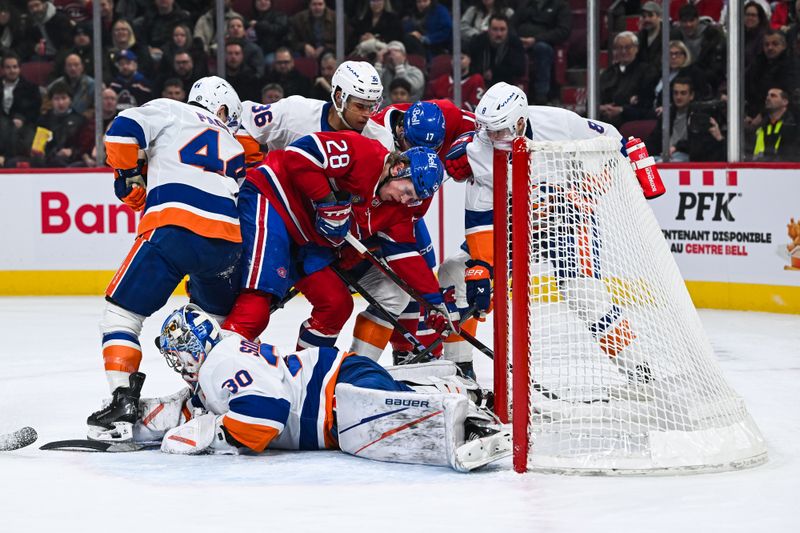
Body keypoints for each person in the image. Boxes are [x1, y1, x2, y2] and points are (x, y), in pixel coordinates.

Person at [442, 82, 658, 384]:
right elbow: (480, 215)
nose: (492, 138)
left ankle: (639, 370)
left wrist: (625, 161)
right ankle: (459, 369)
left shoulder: (558, 122)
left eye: (499, 131)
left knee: (584, 294)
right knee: (453, 273)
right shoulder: (478, 151)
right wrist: (482, 265)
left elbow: (611, 139)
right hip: (513, 226)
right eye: (486, 130)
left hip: (566, 220)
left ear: (520, 121)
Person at [135, 304, 511, 472]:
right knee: (393, 399)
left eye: (178, 355)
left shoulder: (221, 364)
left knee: (407, 414)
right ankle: (451, 386)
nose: (178, 364)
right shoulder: (220, 357)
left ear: (192, 349)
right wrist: (142, 420)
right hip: (338, 384)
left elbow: (268, 417)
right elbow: (199, 409)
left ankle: (473, 416)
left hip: (339, 391)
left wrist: (212, 434)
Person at [86, 76, 245, 442]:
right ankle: (209, 402)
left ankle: (123, 405)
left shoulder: (172, 109)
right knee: (213, 324)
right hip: (226, 243)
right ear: (221, 111)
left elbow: (122, 132)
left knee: (121, 314)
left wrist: (127, 174)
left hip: (174, 227)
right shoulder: (235, 145)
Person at [361, 99, 476, 365]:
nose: (424, 154)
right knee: (404, 280)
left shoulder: (444, 116)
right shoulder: (374, 135)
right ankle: (404, 349)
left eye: (433, 148)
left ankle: (416, 353)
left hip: (408, 206)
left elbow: (484, 130)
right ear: (401, 131)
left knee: (426, 268)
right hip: (380, 212)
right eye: (414, 147)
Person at [511, 0, 572, 105]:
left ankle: (541, 95)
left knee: (542, 49)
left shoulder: (561, 5)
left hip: (545, 43)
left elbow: (563, 31)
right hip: (521, 42)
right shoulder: (526, 4)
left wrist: (536, 39)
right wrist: (516, 39)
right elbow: (511, 24)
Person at [598, 31, 659, 126]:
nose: (623, 51)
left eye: (628, 47)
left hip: (630, 119)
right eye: (619, 48)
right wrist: (601, 107)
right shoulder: (608, 73)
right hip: (604, 116)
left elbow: (645, 104)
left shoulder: (647, 71)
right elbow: (595, 97)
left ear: (636, 49)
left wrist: (621, 110)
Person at [0, 52, 41, 167]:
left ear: (20, 68)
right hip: (2, 123)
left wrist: (23, 118)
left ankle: (7, 158)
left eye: (14, 67)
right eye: (8, 67)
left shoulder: (30, 88)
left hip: (24, 124)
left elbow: (35, 110)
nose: (12, 70)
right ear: (3, 69)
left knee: (15, 130)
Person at [468, 13, 526, 89]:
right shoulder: (478, 41)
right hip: (480, 84)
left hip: (506, 85)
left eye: (502, 29)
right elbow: (470, 65)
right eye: (495, 29)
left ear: (508, 30)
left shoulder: (514, 43)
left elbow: (520, 69)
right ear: (488, 29)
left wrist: (495, 72)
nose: (499, 34)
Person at [646, 77, 695, 161]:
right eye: (675, 93)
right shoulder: (668, 114)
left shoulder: (697, 114)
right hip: (664, 155)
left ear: (691, 96)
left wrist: (677, 147)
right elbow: (654, 139)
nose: (678, 97)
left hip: (685, 155)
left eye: (683, 93)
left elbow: (696, 143)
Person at [753, 87, 800, 160]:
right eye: (767, 95)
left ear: (785, 102)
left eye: (773, 96)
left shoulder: (795, 125)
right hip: (759, 168)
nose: (768, 98)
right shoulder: (761, 125)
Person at [637, 1, 663, 69]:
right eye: (644, 16)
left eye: (650, 15)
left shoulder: (668, 35)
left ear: (659, 16)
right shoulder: (641, 36)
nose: (646, 19)